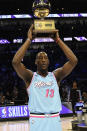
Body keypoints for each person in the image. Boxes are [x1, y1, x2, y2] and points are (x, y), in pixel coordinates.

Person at [12, 25, 78, 131]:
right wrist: (29, 39)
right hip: (37, 120)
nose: (43, 60)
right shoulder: (30, 76)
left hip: (54, 119)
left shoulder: (56, 76)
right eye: (40, 58)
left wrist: (58, 40)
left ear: (48, 61)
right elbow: (15, 62)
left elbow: (73, 61)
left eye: (45, 58)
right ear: (35, 62)